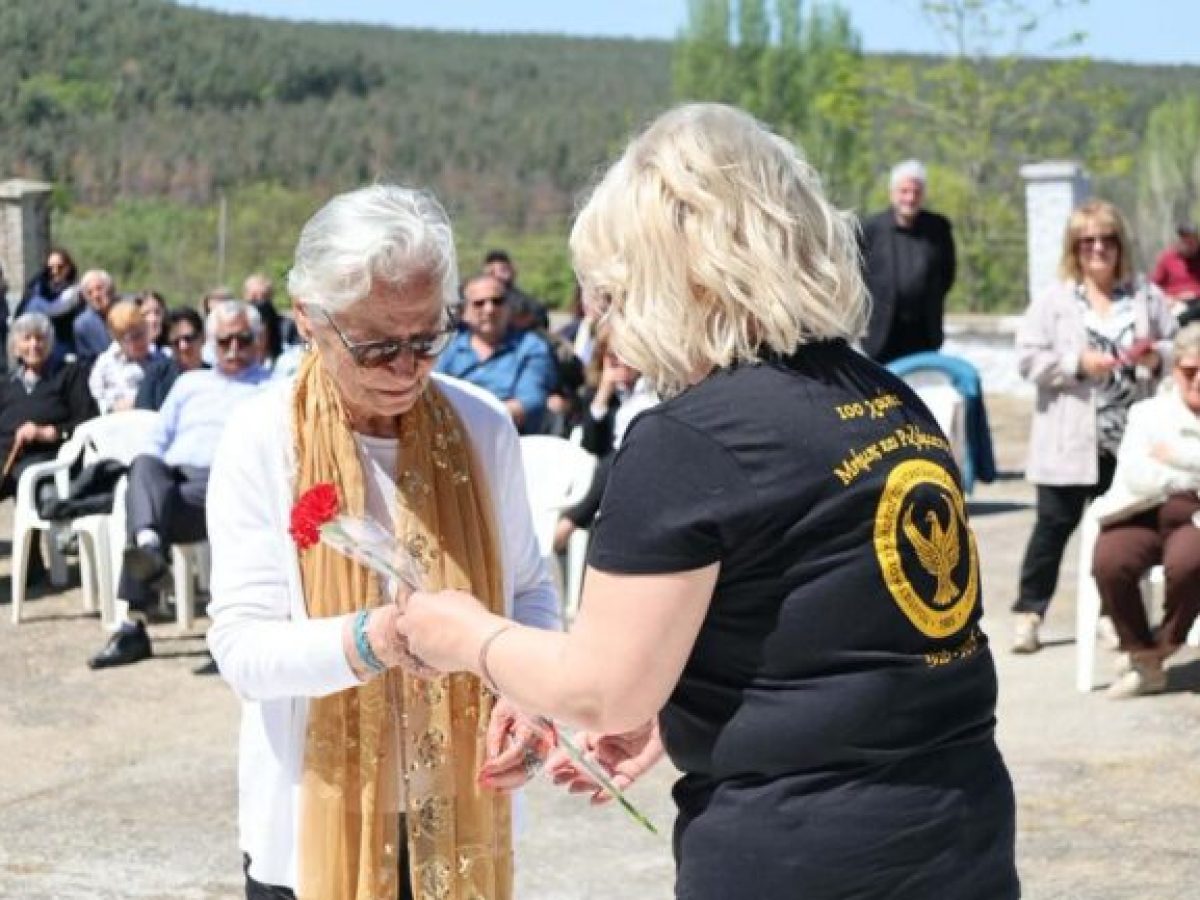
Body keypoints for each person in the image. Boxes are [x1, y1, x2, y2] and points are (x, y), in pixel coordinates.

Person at [397, 103, 1019, 900]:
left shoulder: (689, 440)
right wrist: (683, 709)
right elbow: (832, 629)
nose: (601, 321)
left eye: (613, 293)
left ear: (673, 278)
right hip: (957, 829)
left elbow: (600, 688)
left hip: (800, 854)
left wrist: (465, 633)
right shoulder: (885, 397)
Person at [204, 185, 559, 900]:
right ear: (308, 319)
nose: (407, 368)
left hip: (459, 814)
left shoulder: (483, 427)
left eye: (428, 338)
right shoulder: (263, 438)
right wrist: (375, 638)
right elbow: (242, 651)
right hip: (313, 831)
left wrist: (531, 692)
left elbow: (531, 591)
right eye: (376, 346)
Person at [1012, 198, 1177, 654]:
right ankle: (1029, 613)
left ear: (1120, 245)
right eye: (1088, 242)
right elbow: (1027, 359)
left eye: (1107, 240)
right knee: (1053, 527)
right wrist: (1076, 363)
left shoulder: (1145, 296)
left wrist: (1156, 356)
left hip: (1128, 441)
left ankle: (1112, 614)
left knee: (1120, 533)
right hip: (1069, 438)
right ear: (1074, 248)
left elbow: (1177, 346)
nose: (1098, 249)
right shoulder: (1054, 300)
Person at [87, 301, 271, 670]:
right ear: (211, 344)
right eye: (224, 341)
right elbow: (155, 440)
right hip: (175, 487)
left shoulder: (270, 388)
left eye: (243, 340)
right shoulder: (189, 384)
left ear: (258, 341)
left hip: (228, 485)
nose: (233, 349)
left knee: (145, 509)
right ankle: (149, 548)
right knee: (143, 467)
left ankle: (133, 625)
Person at [1089, 323, 1200, 698]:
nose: (1198, 379)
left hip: (1193, 516)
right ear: (1175, 371)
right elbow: (1136, 473)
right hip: (1142, 507)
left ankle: (1163, 647)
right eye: (1190, 371)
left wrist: (1178, 457)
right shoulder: (1148, 413)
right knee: (1110, 560)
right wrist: (1186, 474)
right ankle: (1141, 652)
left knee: (1190, 562)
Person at [0, 313, 97, 579]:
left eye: (40, 338)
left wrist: (48, 432)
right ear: (15, 345)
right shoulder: (7, 384)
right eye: (27, 339)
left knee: (26, 479)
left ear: (50, 343)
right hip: (6, 453)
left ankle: (31, 566)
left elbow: (88, 421)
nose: (34, 345)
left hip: (48, 455)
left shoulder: (69, 375)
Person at [552, 329, 656, 551]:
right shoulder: (598, 394)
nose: (620, 363)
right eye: (612, 356)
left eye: (625, 355)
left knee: (623, 455)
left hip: (643, 471)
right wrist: (603, 395)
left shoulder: (652, 392)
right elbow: (589, 446)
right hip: (607, 478)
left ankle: (568, 523)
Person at [859, 159, 956, 363]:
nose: (910, 198)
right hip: (880, 336)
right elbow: (856, 276)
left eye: (916, 192)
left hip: (924, 333)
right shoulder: (870, 229)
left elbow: (947, 275)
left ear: (923, 194)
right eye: (904, 191)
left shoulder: (938, 228)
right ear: (892, 193)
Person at [435, 273, 557, 434]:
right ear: (464, 312)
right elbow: (432, 394)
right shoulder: (447, 348)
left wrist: (474, 421)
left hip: (510, 437)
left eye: (497, 301)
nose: (490, 309)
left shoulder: (531, 347)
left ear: (509, 307)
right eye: (479, 303)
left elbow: (530, 402)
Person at [87, 300, 161, 413]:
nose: (141, 341)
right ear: (119, 340)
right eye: (134, 337)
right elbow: (96, 396)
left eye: (143, 333)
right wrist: (111, 406)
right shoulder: (105, 363)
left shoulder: (160, 358)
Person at [136, 308, 208, 411]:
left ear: (203, 337)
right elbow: (142, 414)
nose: (183, 346)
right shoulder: (157, 375)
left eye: (188, 338)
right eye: (176, 341)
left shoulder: (215, 376)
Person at [15, 247, 81, 354]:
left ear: (68, 268)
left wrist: (35, 301)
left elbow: (55, 309)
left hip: (62, 343)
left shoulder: (74, 290)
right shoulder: (40, 286)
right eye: (50, 268)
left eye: (60, 267)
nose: (55, 271)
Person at [483, 249, 549, 331]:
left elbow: (540, 319)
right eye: (501, 269)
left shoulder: (530, 303)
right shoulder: (477, 299)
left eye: (505, 268)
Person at [1149, 223, 1200, 325]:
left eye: (1192, 241)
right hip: (1176, 306)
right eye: (1185, 241)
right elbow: (1152, 288)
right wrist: (1168, 299)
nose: (1189, 245)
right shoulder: (1168, 257)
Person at [72, 269, 118, 363]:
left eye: (99, 288)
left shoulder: (125, 310)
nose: (96, 295)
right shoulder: (83, 324)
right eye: (90, 293)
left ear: (110, 289)